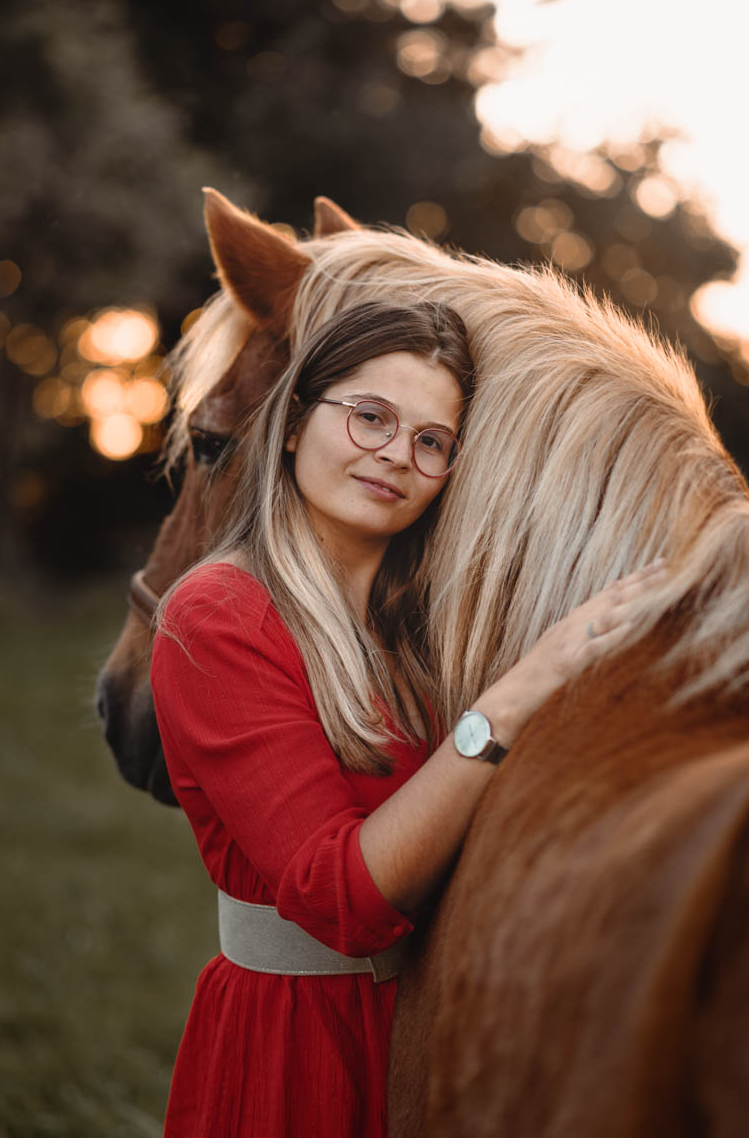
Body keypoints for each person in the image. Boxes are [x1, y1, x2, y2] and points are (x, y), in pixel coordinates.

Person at [150, 299, 663, 1138]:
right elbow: (341, 899)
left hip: (449, 1019)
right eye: (369, 417)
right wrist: (514, 697)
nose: (397, 455)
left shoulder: (428, 622)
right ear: (290, 424)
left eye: (432, 441)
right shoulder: (216, 616)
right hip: (304, 1043)